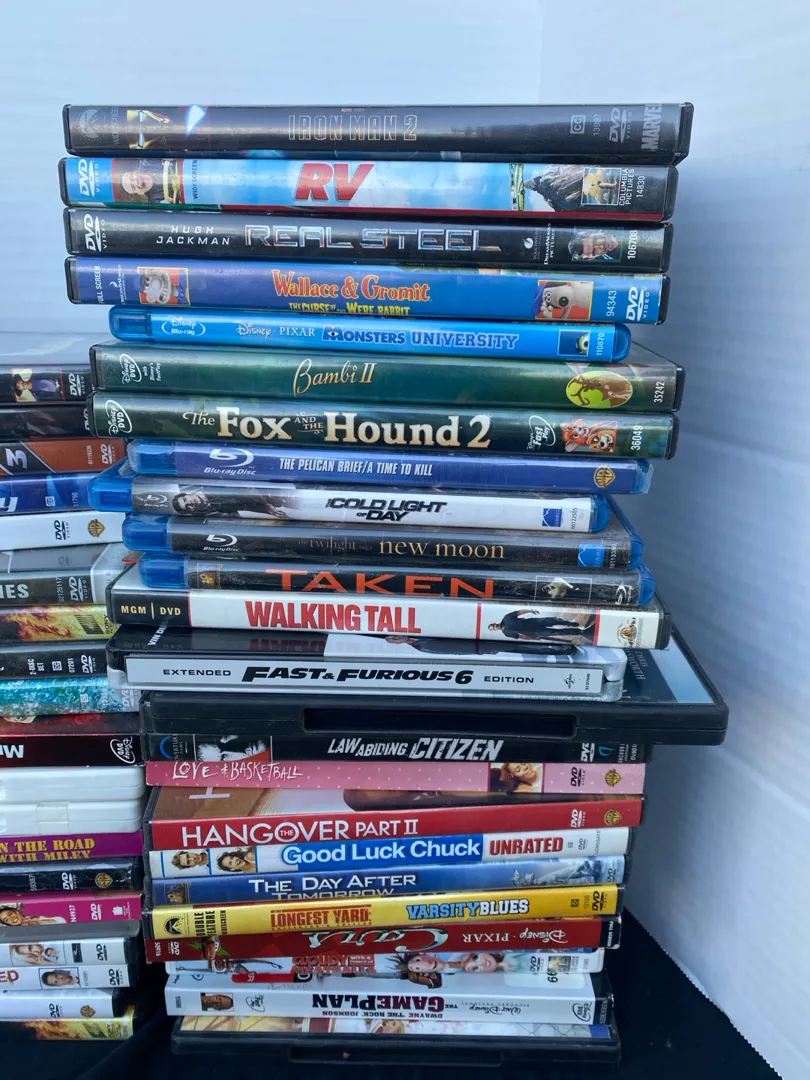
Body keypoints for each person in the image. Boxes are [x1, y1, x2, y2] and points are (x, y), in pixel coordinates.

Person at [171, 489, 289, 518]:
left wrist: (265, 503)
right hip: (276, 505)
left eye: (185, 499)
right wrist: (266, 509)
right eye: (187, 507)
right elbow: (244, 507)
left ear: (188, 493)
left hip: (272, 493)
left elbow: (247, 489)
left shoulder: (210, 486)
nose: (190, 503)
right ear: (192, 511)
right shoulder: (214, 511)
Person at [487, 609, 591, 642]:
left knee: (555, 620)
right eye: (494, 628)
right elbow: (521, 636)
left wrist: (530, 611)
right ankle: (579, 632)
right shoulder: (507, 634)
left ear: (495, 623)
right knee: (557, 632)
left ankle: (570, 624)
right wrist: (533, 638)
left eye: (494, 625)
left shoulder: (507, 618)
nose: (496, 626)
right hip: (535, 632)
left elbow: (518, 612)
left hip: (536, 622)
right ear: (495, 630)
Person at [0, 906, 65, 926]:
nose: (11, 918)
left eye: (10, 914)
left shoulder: (34, 914)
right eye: (6, 920)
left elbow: (61, 920)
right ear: (9, 924)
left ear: (16, 911)